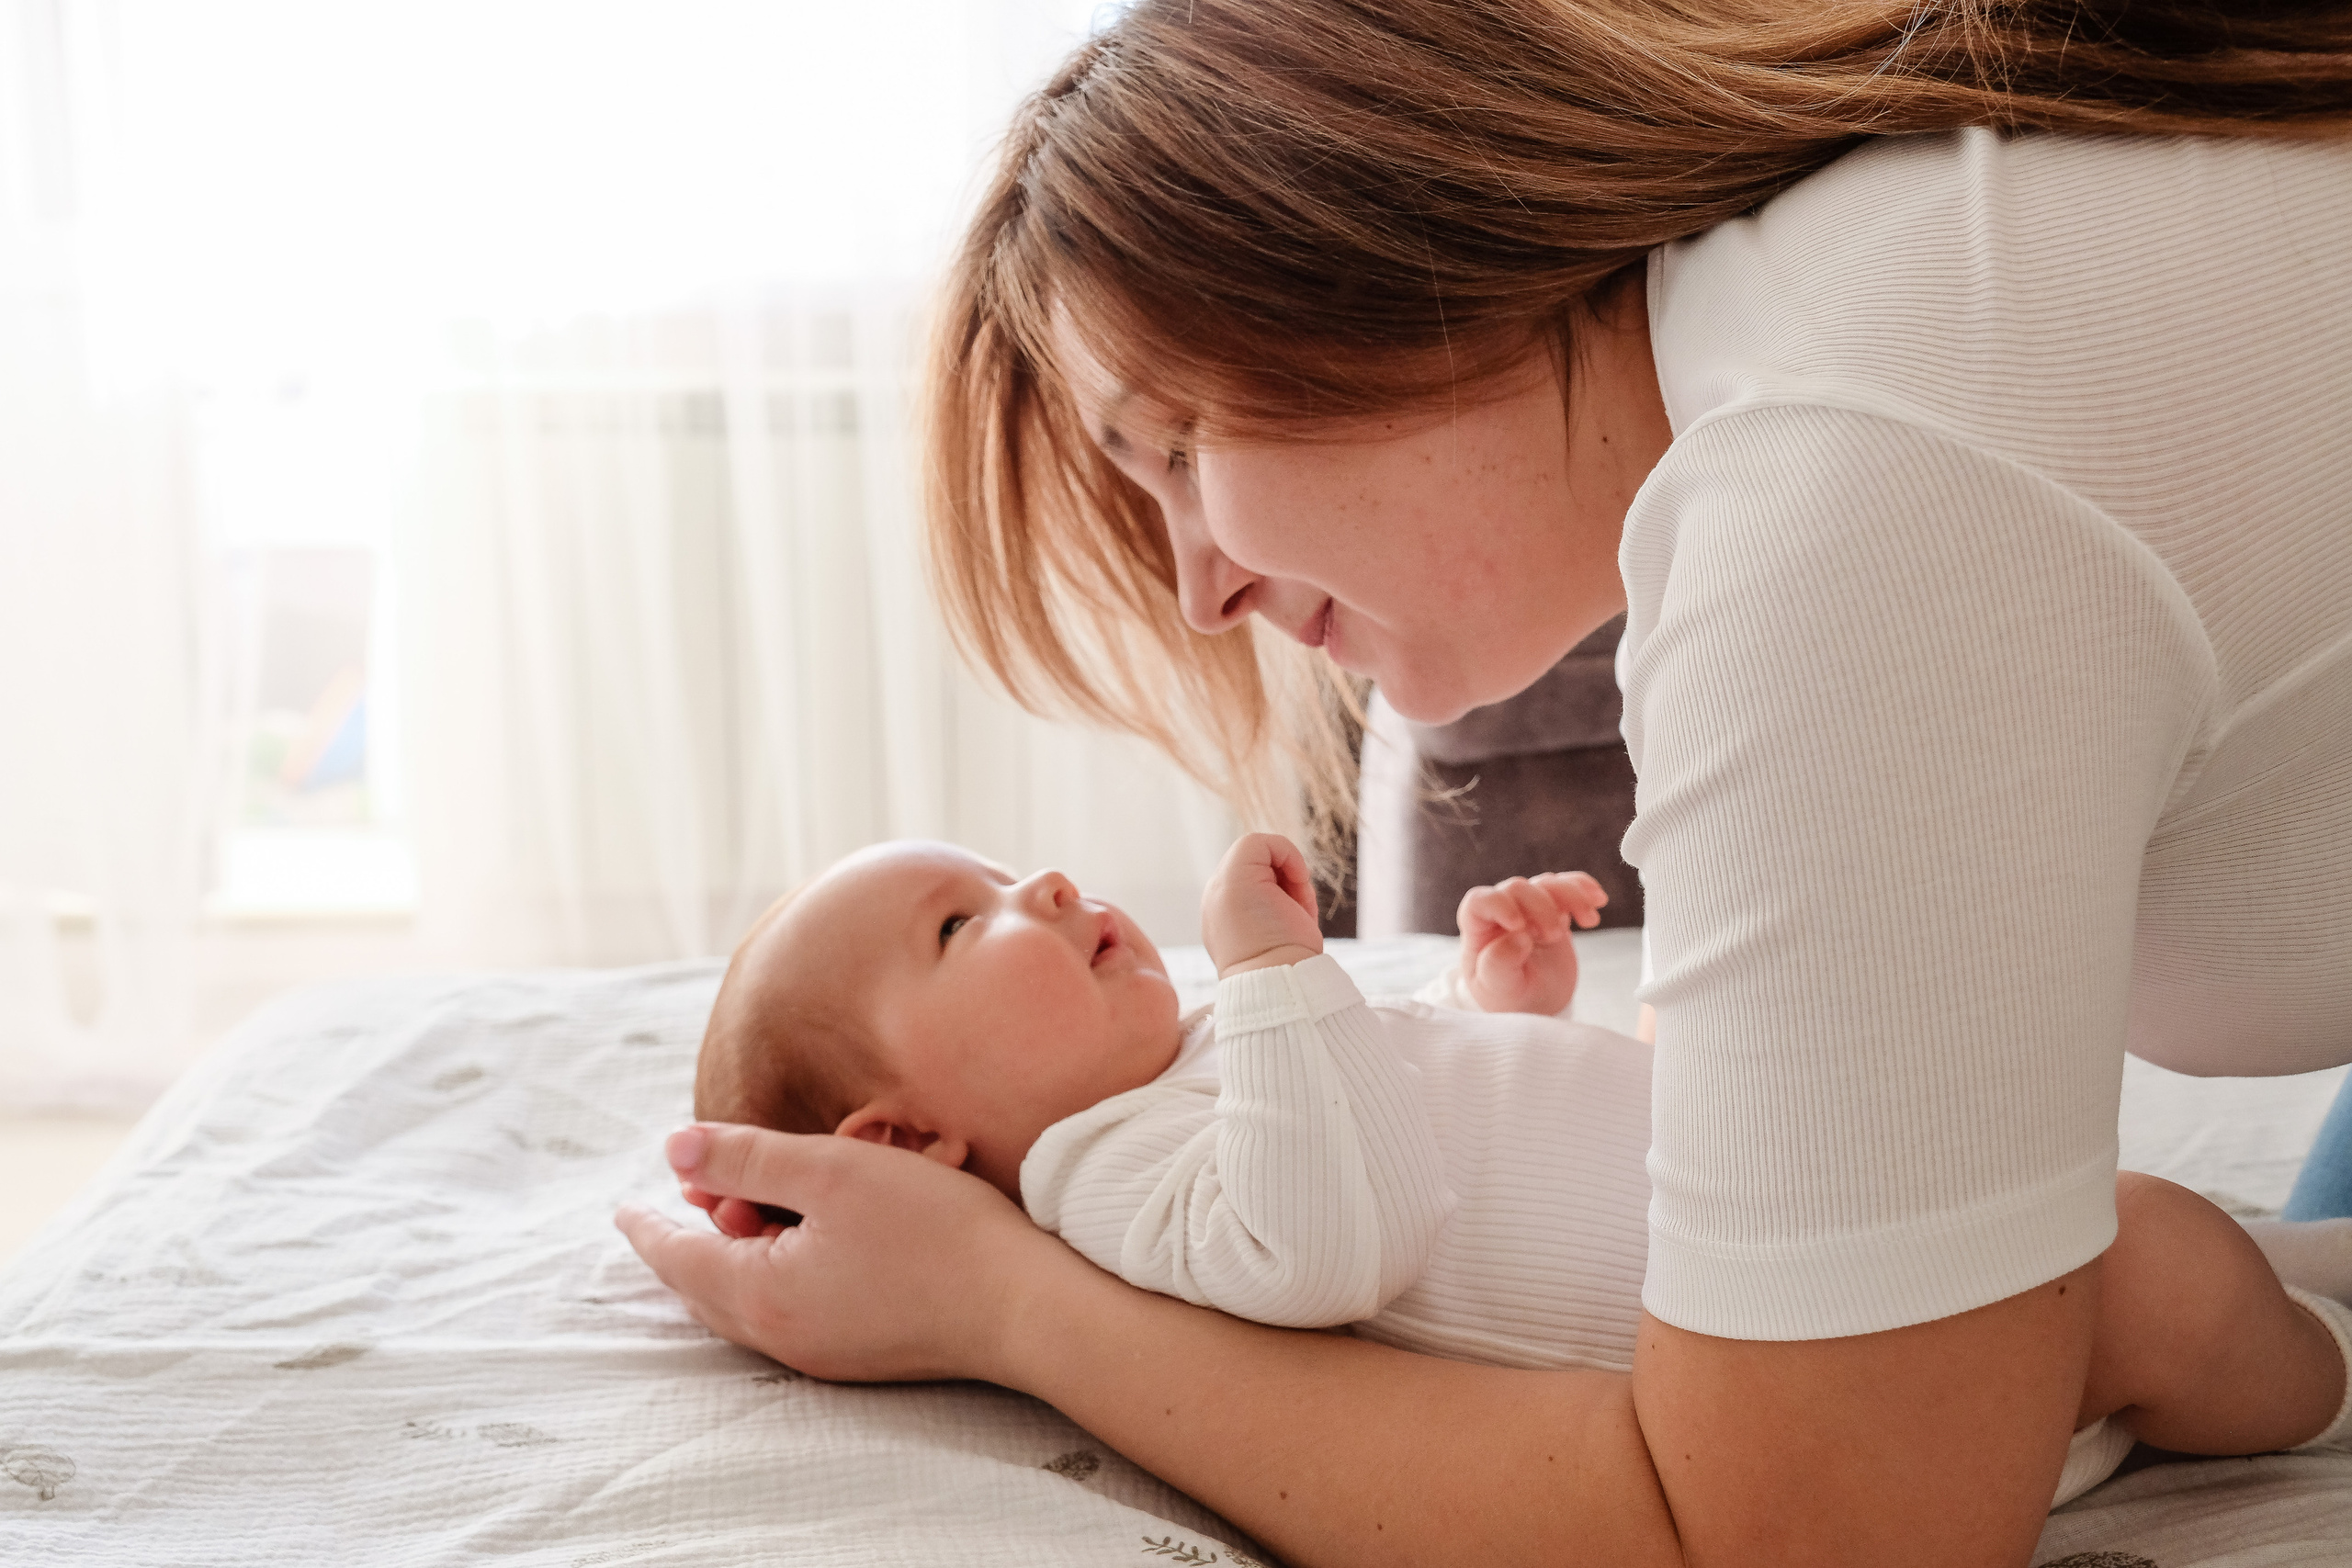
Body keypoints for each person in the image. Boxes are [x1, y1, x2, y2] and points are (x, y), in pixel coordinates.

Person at [620, 5, 2352, 1563]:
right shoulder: (1837, 340)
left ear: (1370, 257)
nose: (1201, 590)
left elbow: (1816, 1537)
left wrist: (1001, 1309)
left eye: (1180, 450)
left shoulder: (1847, 513)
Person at [683, 831, 2352, 1510]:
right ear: (907, 1141)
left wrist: (1501, 1014)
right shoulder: (1101, 1183)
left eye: (999, 868)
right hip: (1871, 1368)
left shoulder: (1197, 1067)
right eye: (961, 926)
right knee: (2156, 1264)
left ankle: (2312, 1265)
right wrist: (1272, 971)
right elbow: (1333, 1240)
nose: (1042, 884)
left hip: (1825, 1220)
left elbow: (1452, 1139)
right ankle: (2323, 1378)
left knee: (2106, 1209)